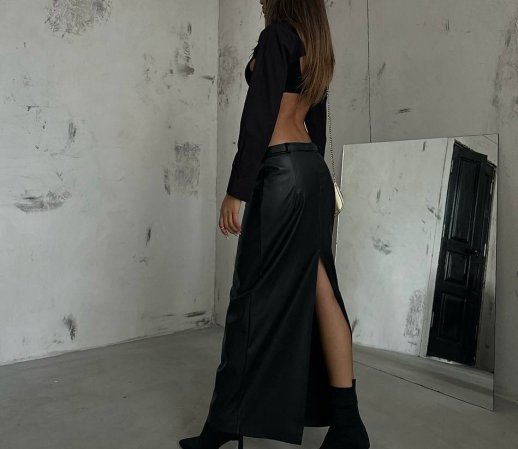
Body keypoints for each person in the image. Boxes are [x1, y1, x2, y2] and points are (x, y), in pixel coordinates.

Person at [179, 1, 370, 448]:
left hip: (280, 172)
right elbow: (316, 122)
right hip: (311, 172)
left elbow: (259, 114)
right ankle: (348, 425)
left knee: (248, 301)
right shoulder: (316, 45)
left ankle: (225, 422)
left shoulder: (277, 36)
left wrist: (238, 189)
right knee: (323, 290)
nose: (260, 0)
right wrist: (311, 180)